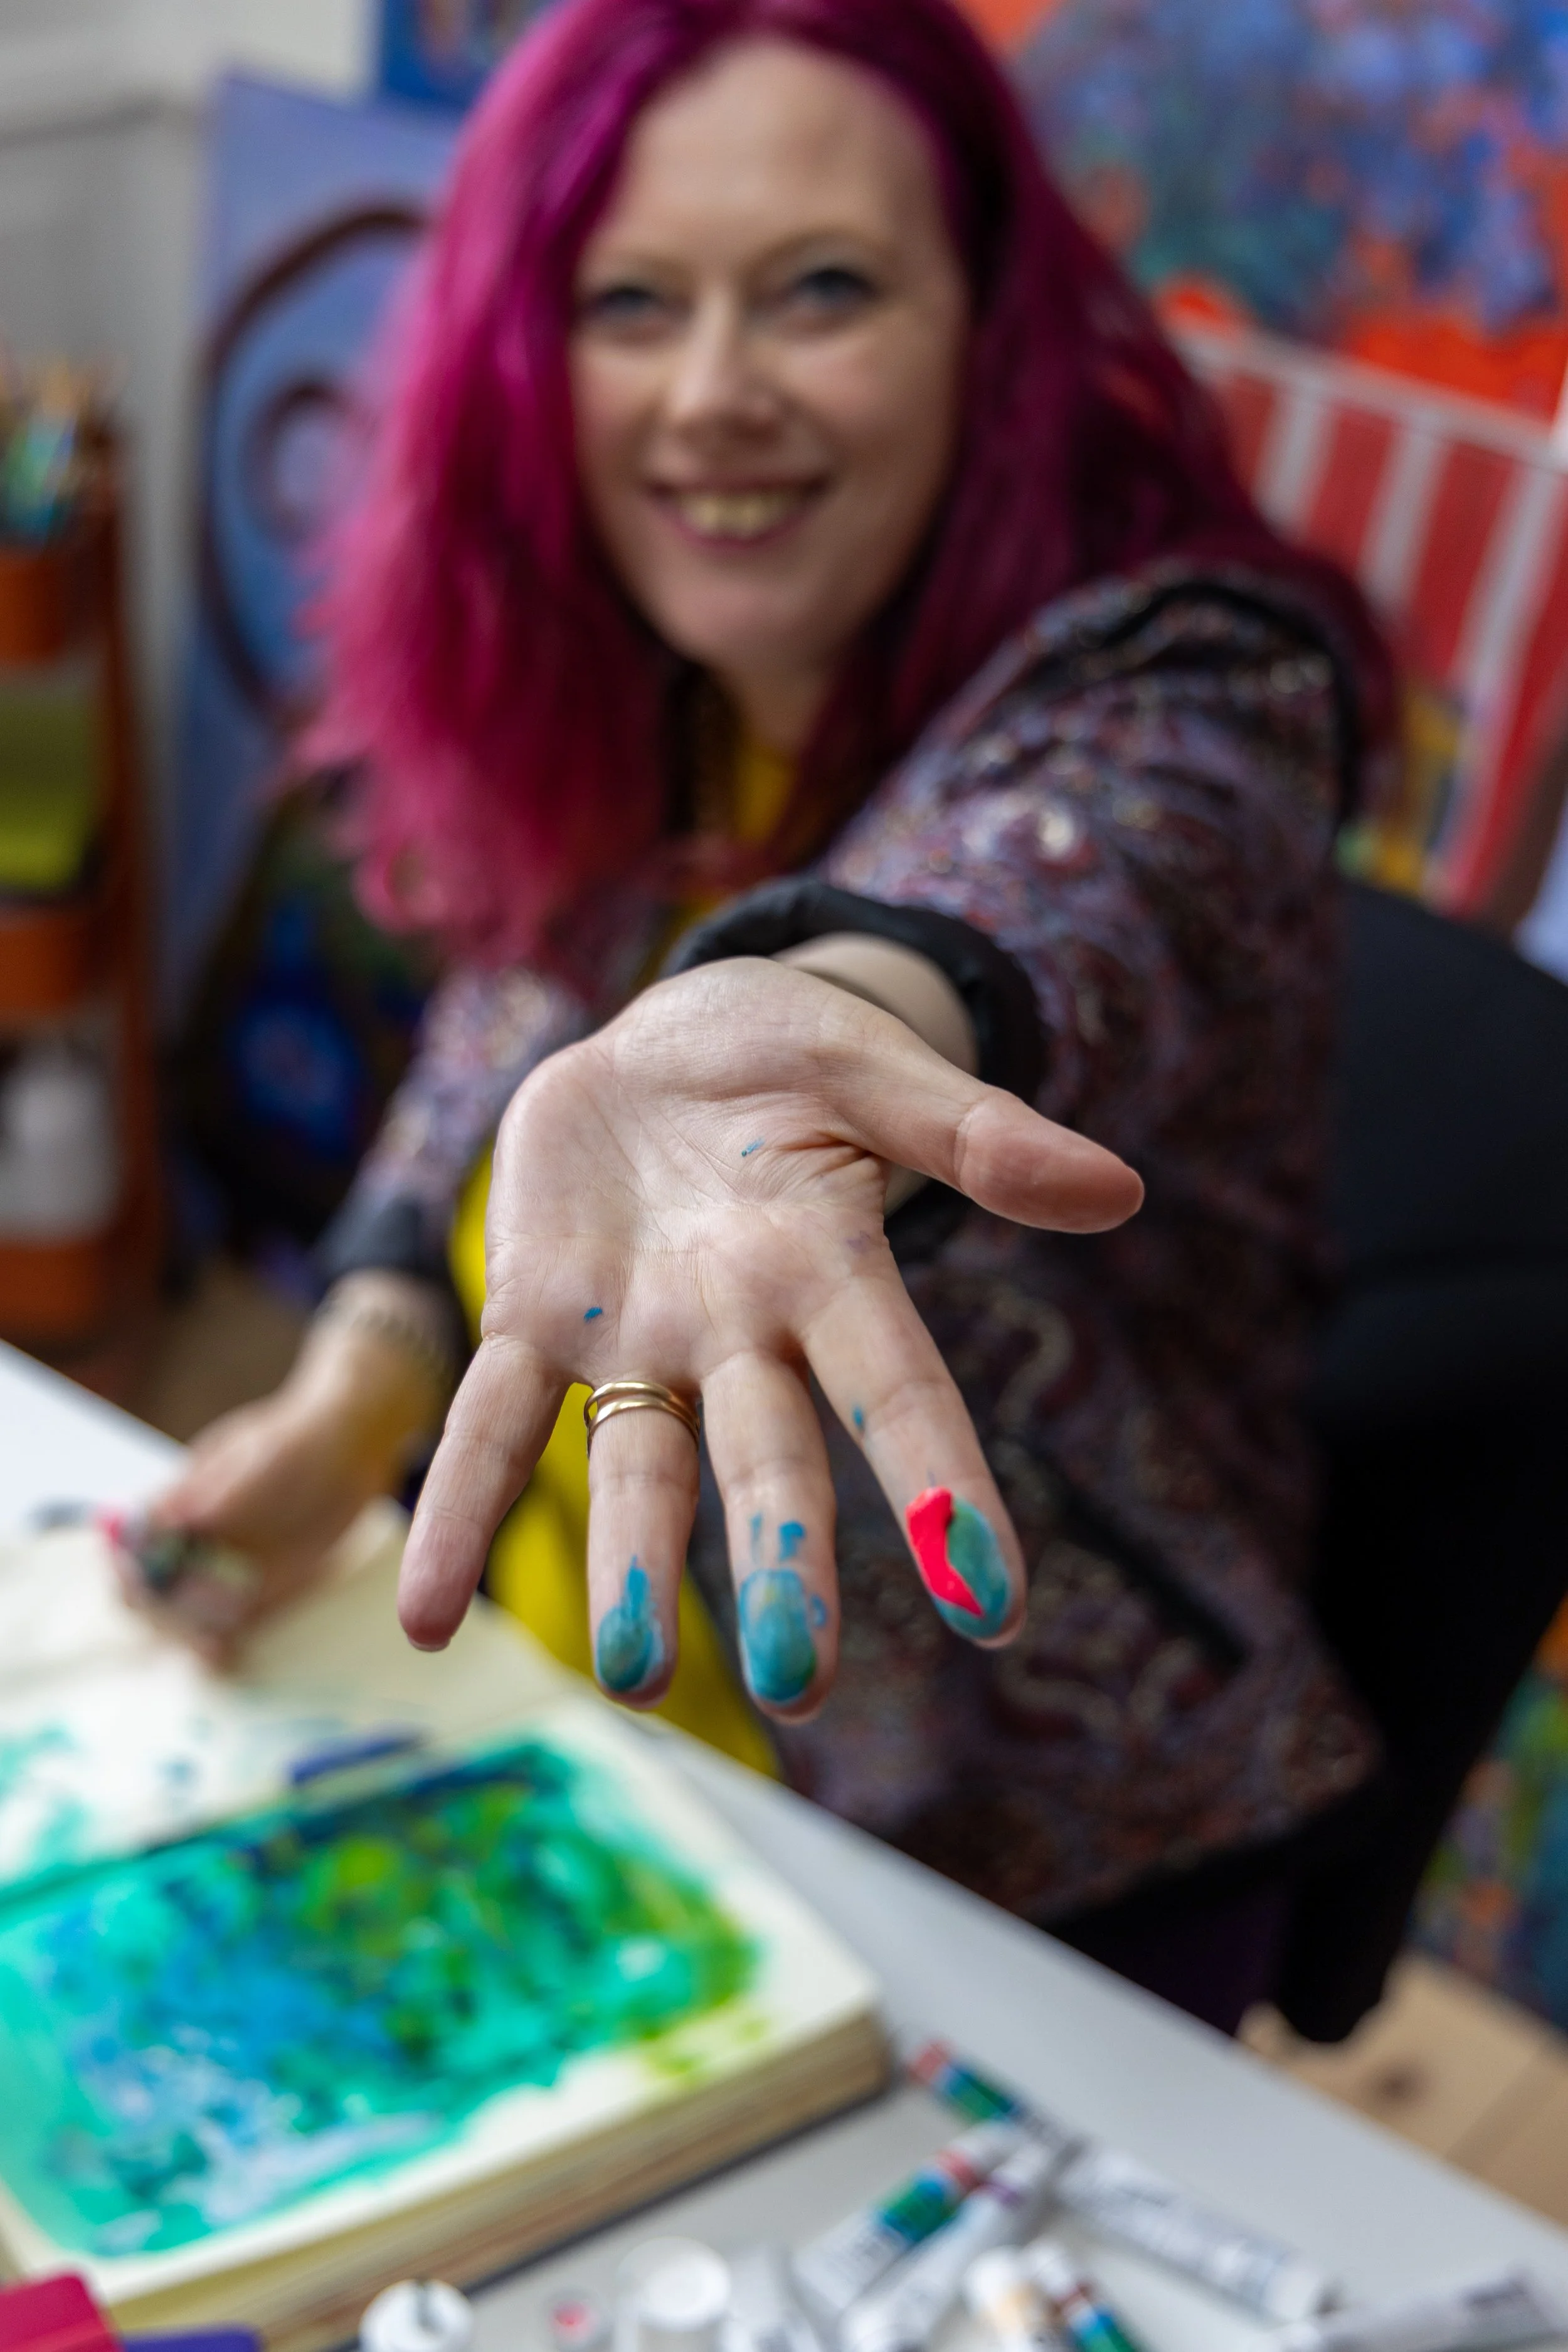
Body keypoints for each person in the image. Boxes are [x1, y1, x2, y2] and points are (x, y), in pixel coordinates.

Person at [143, 0, 1396, 2033]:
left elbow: (1041, 895)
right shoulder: (650, 668)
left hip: (1019, 1865)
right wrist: (356, 1386)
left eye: (820, 290)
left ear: (988, 327)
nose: (714, 393)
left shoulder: (1186, 690)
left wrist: (798, 1017)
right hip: (589, 1724)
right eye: (632, 304)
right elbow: (507, 1019)